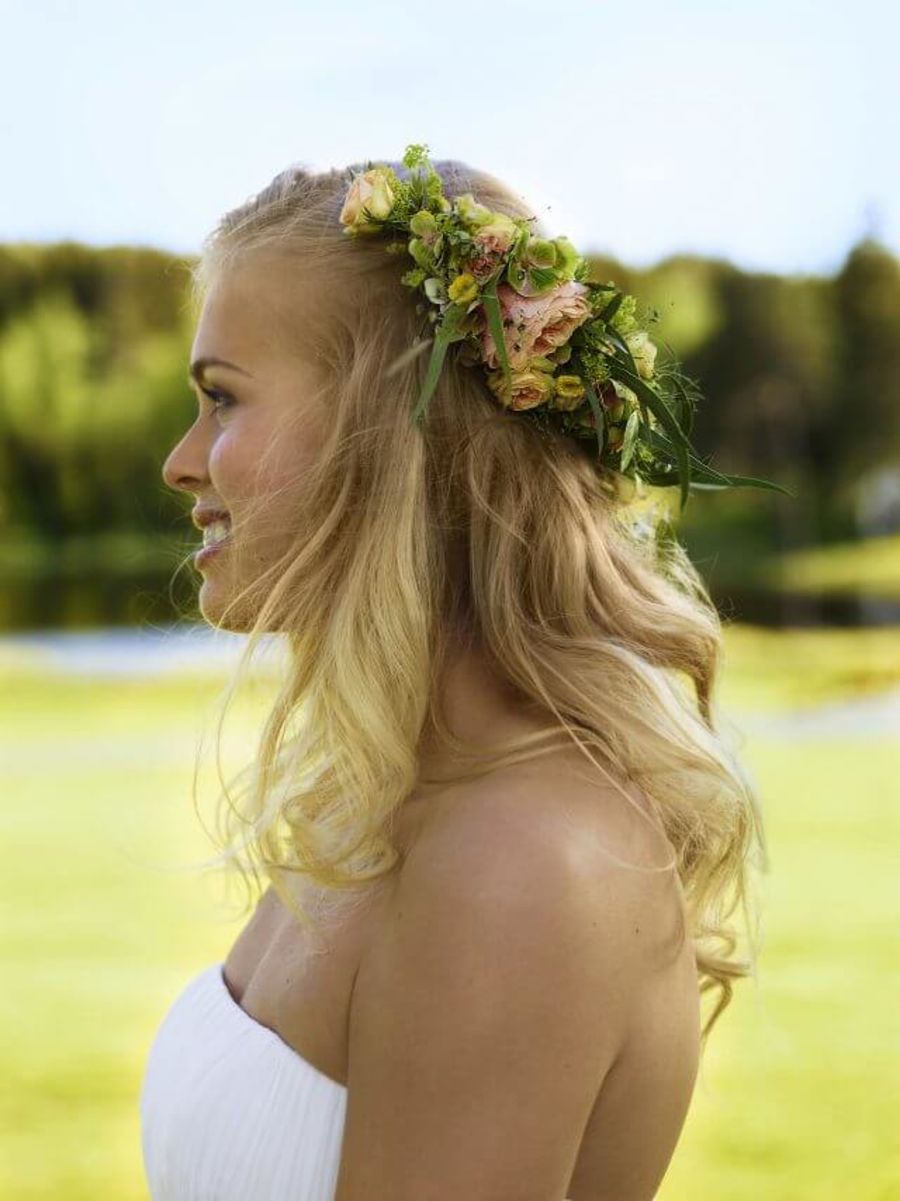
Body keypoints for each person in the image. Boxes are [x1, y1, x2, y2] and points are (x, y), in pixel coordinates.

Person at [141, 146, 768, 1201]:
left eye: (222, 399)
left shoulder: (524, 861)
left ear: (390, 434)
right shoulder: (384, 799)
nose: (181, 459)